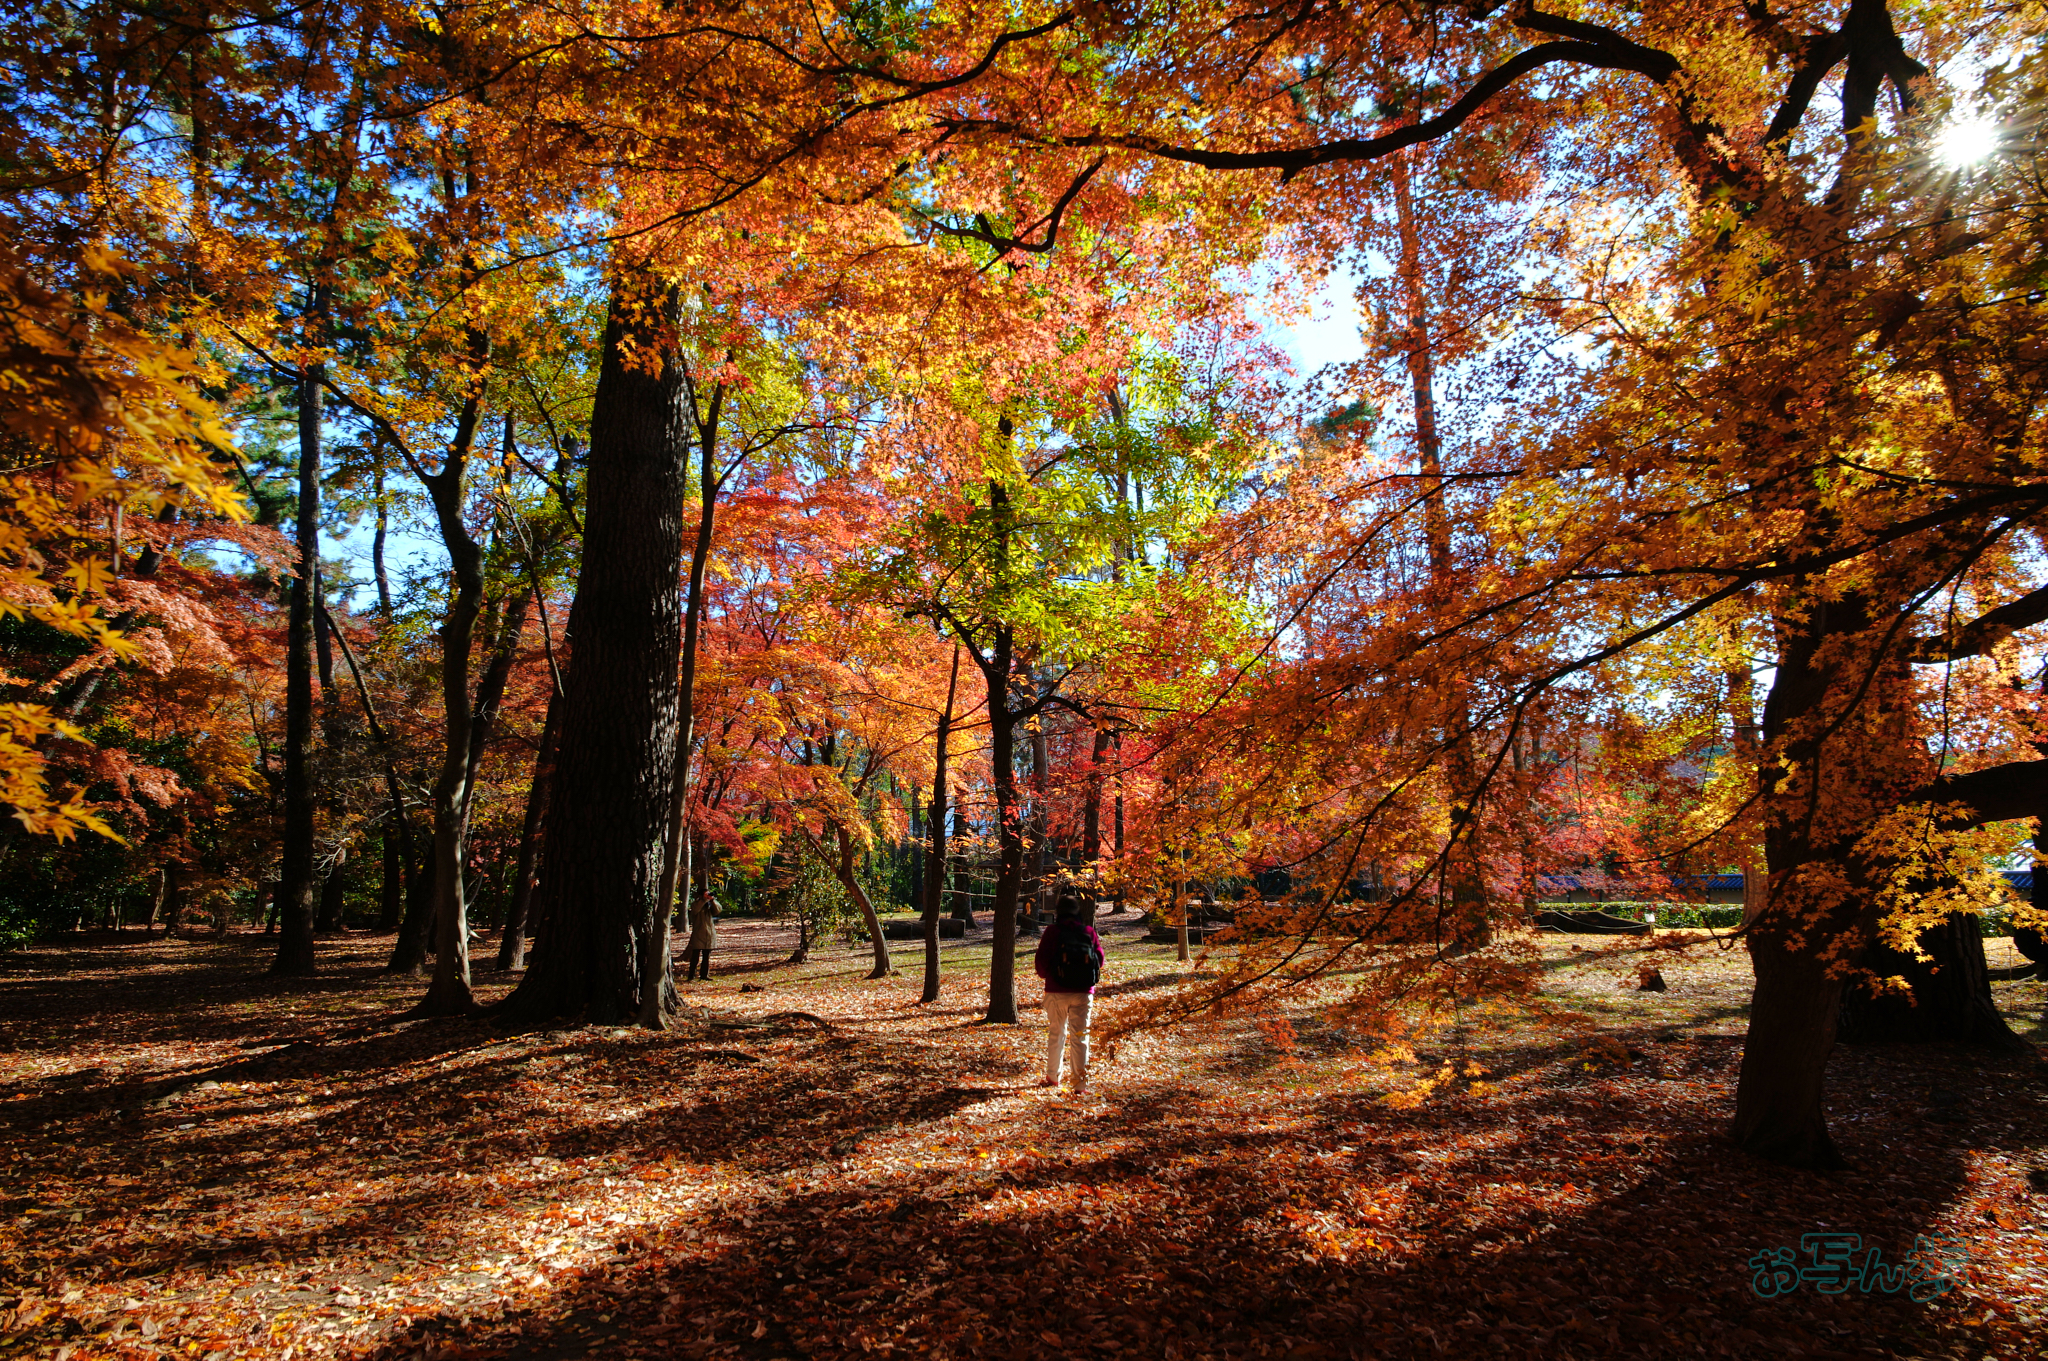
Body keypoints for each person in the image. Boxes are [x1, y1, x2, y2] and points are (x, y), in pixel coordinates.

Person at [1033, 888, 1104, 1093]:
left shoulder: (1052, 932)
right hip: (1083, 991)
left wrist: (1049, 976)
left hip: (1056, 990)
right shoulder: (1088, 931)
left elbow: (1041, 963)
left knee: (1057, 1033)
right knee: (1080, 1037)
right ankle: (1080, 1084)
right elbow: (1099, 960)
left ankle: (1053, 1077)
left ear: (1058, 911)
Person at [683, 887, 719, 981]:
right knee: (695, 956)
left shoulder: (709, 905)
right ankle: (691, 975)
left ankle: (704, 975)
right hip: (698, 933)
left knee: (706, 956)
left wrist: (712, 901)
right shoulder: (696, 904)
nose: (708, 895)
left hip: (709, 933)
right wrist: (703, 900)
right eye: (706, 894)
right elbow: (695, 910)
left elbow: (718, 911)